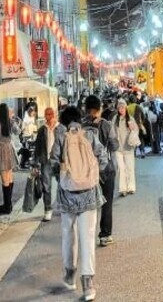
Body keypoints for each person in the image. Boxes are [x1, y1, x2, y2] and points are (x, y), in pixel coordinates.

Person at [51, 105, 107, 302]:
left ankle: (69, 273)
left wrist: (65, 179)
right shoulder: (90, 135)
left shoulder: (60, 137)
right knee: (88, 237)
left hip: (67, 195)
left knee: (68, 234)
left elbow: (53, 164)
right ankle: (88, 283)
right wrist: (92, 175)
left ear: (64, 121)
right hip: (89, 194)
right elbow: (103, 158)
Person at [82, 95, 118, 246]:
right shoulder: (106, 125)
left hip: (86, 170)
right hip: (105, 169)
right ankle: (105, 235)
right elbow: (115, 145)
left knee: (87, 204)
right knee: (106, 203)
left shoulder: (80, 126)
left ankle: (86, 235)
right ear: (99, 108)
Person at [34, 106, 65, 221]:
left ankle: (62, 206)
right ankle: (48, 210)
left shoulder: (61, 128)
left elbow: (65, 145)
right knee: (46, 187)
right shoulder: (42, 129)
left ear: (55, 115)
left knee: (62, 185)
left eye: (51, 114)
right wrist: (35, 163)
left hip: (58, 161)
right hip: (45, 161)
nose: (49, 117)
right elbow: (38, 147)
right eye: (47, 114)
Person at [0, 103, 17, 214]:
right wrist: (13, 119)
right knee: (10, 176)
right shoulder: (10, 122)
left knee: (4, 178)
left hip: (1, 149)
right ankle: (9, 204)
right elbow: (18, 131)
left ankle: (6, 206)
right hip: (10, 148)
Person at [114, 98, 139, 196]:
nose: (121, 109)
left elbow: (136, 130)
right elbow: (112, 132)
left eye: (123, 107)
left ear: (126, 108)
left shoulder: (130, 119)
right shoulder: (115, 119)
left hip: (128, 147)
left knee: (130, 167)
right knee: (121, 168)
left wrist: (132, 129)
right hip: (118, 148)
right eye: (119, 108)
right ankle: (122, 189)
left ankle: (131, 187)